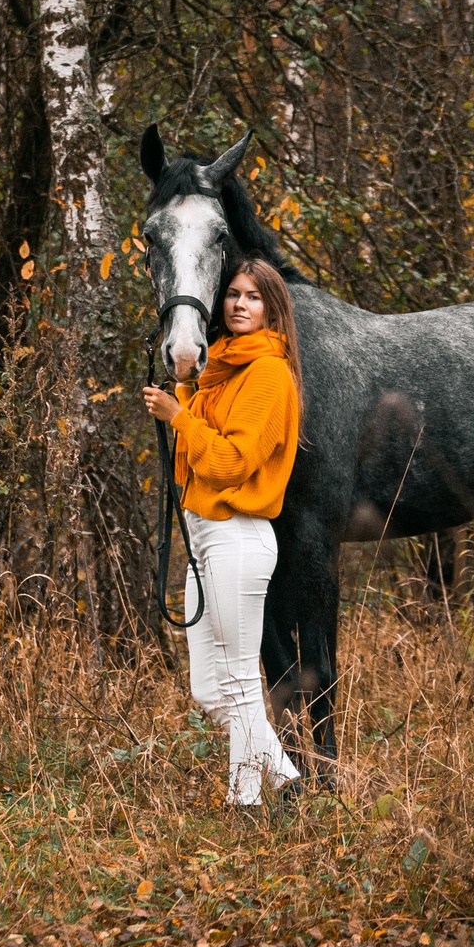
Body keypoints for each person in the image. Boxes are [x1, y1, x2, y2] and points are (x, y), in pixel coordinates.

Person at [140, 258, 304, 808]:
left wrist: (178, 418)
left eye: (253, 297)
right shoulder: (221, 369)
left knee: (238, 681)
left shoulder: (268, 374)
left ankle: (247, 804)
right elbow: (201, 440)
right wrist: (185, 397)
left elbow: (231, 463)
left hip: (239, 535)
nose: (239, 304)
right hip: (204, 539)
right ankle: (286, 778)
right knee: (209, 689)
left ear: (272, 308)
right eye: (232, 293)